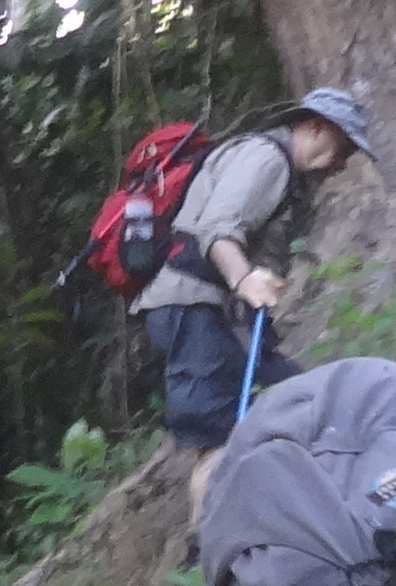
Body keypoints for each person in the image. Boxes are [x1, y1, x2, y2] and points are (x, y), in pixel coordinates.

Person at [132, 87, 374, 503]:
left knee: (297, 396)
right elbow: (217, 229)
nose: (342, 163)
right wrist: (244, 278)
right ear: (315, 127)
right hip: (190, 308)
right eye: (343, 146)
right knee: (221, 440)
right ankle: (205, 552)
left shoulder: (289, 177)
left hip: (221, 316)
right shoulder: (265, 159)